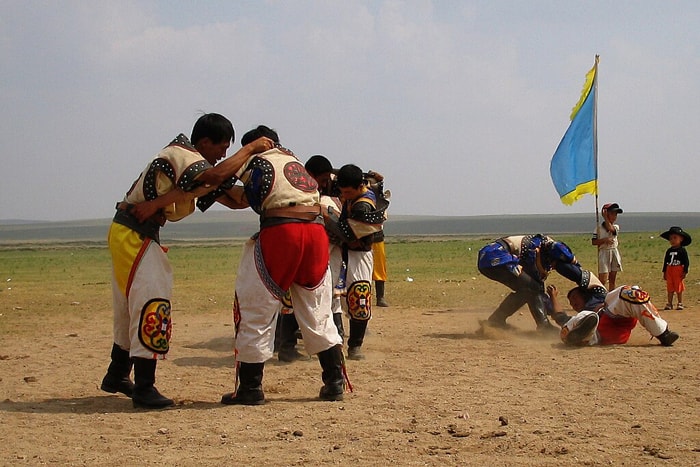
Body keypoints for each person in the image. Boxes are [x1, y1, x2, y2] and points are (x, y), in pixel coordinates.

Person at [101, 114, 274, 409]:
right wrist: (250, 149)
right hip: (134, 233)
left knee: (131, 307)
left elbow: (233, 198)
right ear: (204, 142)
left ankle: (117, 374)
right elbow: (216, 178)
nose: (223, 154)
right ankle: (144, 387)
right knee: (150, 302)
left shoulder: (193, 171)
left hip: (135, 233)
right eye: (222, 147)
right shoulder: (182, 155)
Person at [211, 125, 347, 405]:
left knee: (256, 309)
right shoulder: (292, 160)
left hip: (281, 232)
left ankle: (250, 388)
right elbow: (245, 199)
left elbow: (215, 177)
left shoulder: (254, 159)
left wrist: (211, 185)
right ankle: (334, 381)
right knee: (318, 310)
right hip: (315, 233)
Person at [324, 164, 388, 360]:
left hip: (359, 254)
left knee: (359, 297)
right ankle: (339, 341)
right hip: (345, 253)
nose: (345, 195)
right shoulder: (361, 191)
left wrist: (329, 219)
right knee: (334, 296)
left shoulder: (363, 205)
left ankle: (355, 345)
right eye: (342, 192)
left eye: (348, 192)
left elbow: (350, 234)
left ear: (359, 186)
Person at [477, 234, 600, 331]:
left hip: (489, 259)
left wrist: (559, 315)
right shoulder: (540, 246)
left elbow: (539, 294)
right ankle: (543, 326)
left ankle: (495, 321)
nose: (551, 266)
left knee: (526, 290)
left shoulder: (540, 251)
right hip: (496, 256)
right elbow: (538, 289)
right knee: (532, 288)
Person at [550, 284, 680, 347]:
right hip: (599, 334)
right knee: (582, 317)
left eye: (574, 298)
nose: (573, 304)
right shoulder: (580, 316)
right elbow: (559, 316)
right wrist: (553, 297)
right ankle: (573, 336)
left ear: (586, 295)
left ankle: (664, 334)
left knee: (629, 292)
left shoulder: (605, 301)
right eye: (570, 303)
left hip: (615, 320)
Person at [366, 171, 391, 307]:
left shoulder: (380, 201)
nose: (370, 186)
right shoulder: (361, 200)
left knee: (379, 268)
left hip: (377, 237)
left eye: (372, 184)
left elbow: (380, 182)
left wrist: (378, 178)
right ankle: (365, 297)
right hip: (364, 238)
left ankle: (380, 297)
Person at [592, 203, 623, 290]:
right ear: (606, 213)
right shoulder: (598, 229)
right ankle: (600, 296)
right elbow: (594, 242)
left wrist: (606, 218)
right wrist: (604, 240)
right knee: (603, 279)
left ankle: (611, 296)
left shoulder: (616, 226)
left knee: (612, 279)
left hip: (613, 252)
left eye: (616, 214)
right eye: (612, 214)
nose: (614, 216)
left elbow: (612, 230)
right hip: (604, 253)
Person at [661, 226, 691, 310]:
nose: (672, 240)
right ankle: (669, 303)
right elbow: (665, 261)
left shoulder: (682, 250)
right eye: (670, 238)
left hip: (678, 269)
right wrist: (664, 272)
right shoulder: (669, 250)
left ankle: (680, 303)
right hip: (669, 269)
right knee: (670, 287)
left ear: (681, 239)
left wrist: (685, 271)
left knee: (678, 287)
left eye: (675, 238)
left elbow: (686, 261)